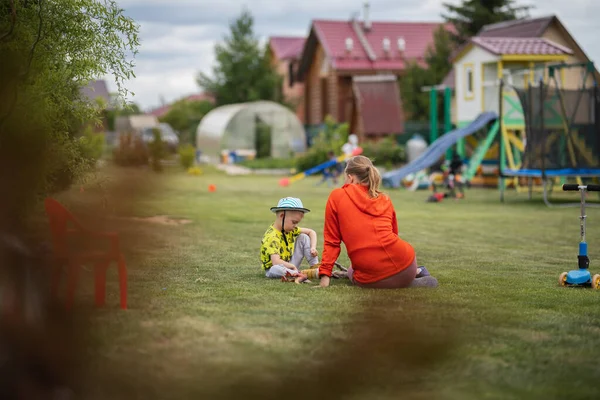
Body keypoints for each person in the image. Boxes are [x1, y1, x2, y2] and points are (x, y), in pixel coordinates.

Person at [318, 155, 438, 288]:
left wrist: (325, 278)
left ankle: (398, 279)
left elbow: (331, 242)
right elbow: (394, 233)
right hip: (405, 262)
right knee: (382, 264)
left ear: (350, 177)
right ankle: (415, 273)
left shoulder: (337, 196)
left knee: (353, 270)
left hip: (371, 276)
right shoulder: (384, 198)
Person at [260, 197, 320, 280]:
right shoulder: (272, 236)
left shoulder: (290, 229)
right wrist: (292, 266)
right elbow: (275, 262)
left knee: (304, 237)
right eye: (294, 222)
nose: (295, 226)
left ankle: (316, 267)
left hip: (290, 265)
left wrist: (313, 247)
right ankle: (299, 274)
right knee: (275, 268)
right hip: (275, 268)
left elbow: (311, 232)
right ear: (282, 216)